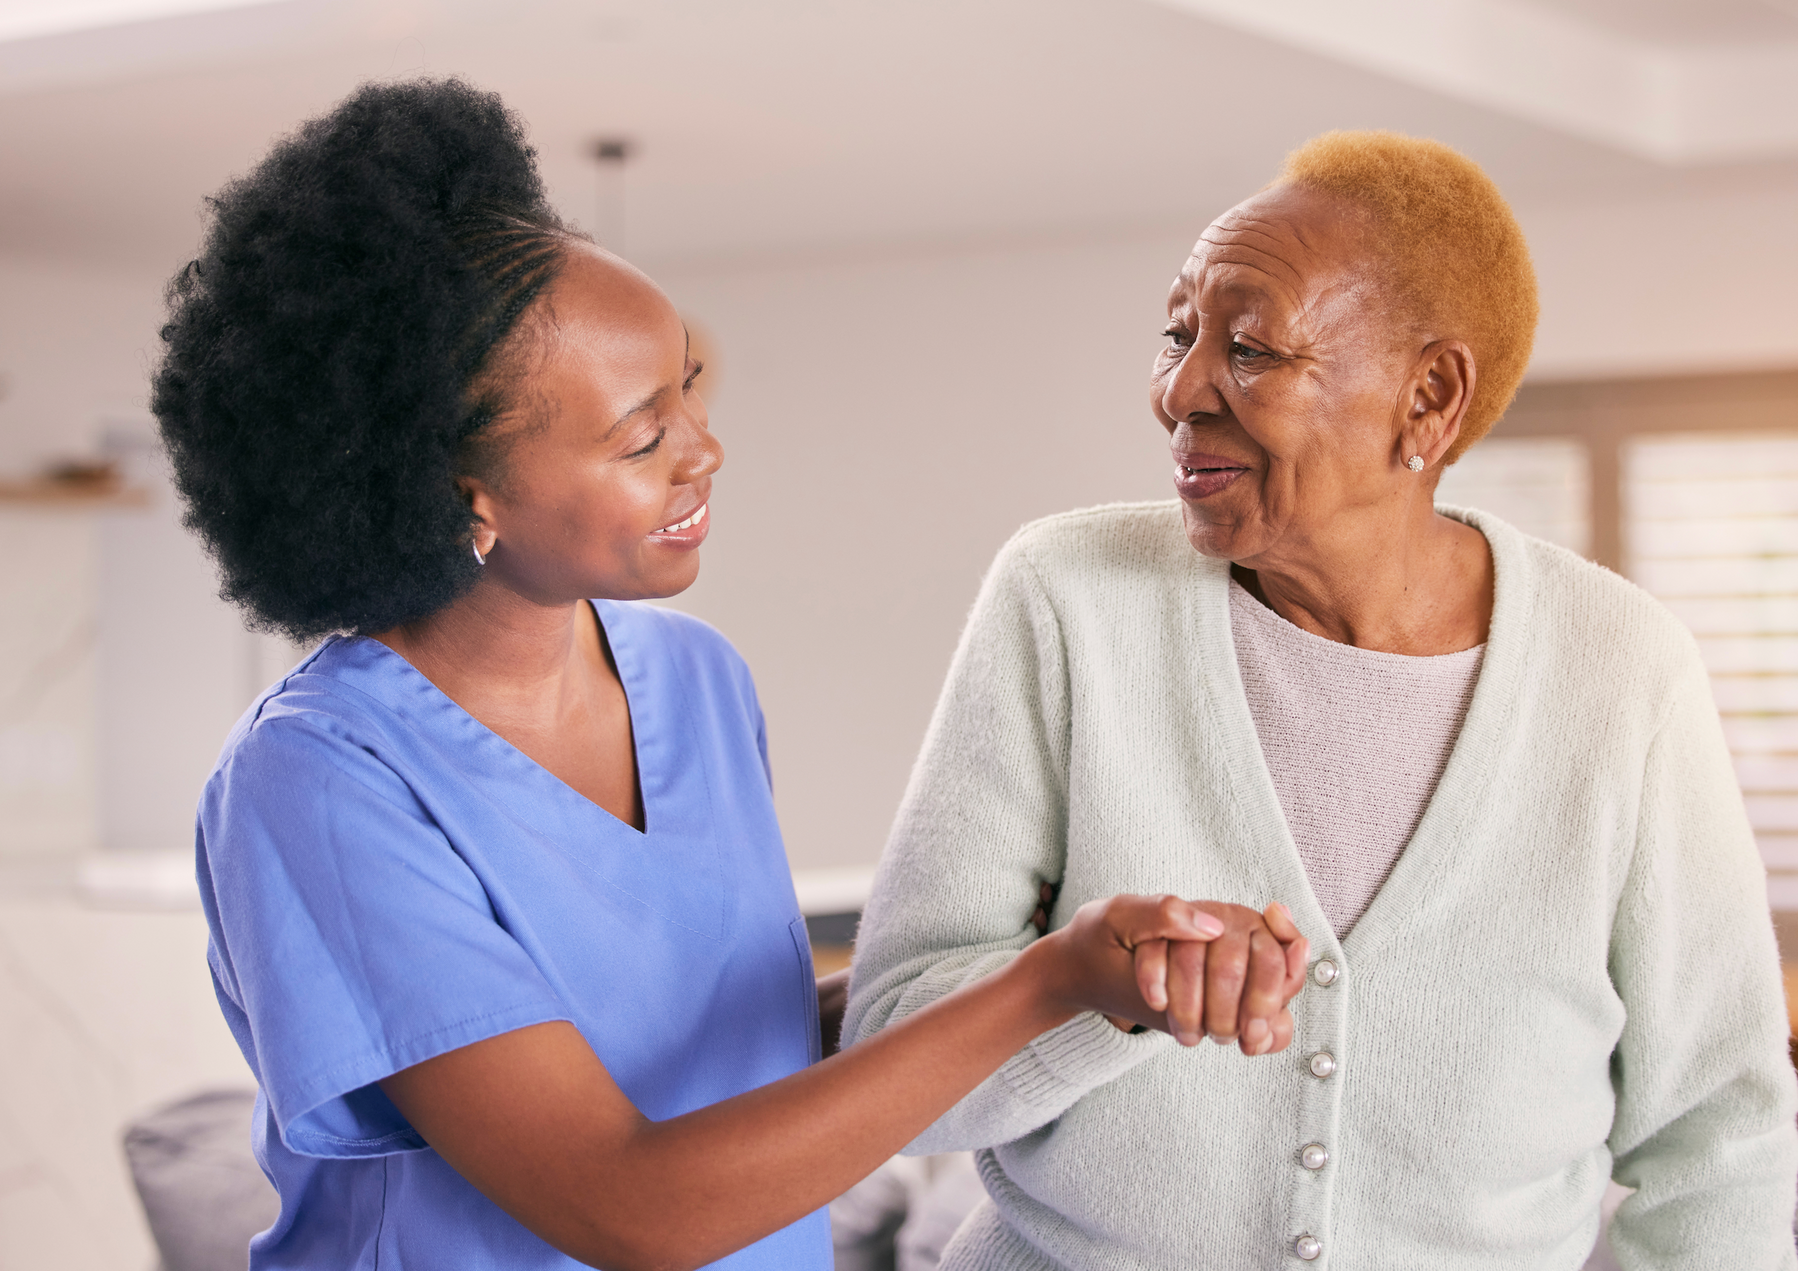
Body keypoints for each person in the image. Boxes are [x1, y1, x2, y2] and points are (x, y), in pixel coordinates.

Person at [154, 78, 1310, 1271]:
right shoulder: (320, 781)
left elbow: (729, 1051)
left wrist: (1052, 962)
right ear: (465, 493)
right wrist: (1041, 986)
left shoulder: (695, 681)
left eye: (690, 389)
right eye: (642, 434)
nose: (706, 449)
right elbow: (626, 1203)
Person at [844, 131, 1798, 1269]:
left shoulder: (1624, 671)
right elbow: (889, 1059)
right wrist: (1107, 994)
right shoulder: (1069, 598)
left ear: (1428, 397)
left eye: (1250, 348)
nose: (1178, 390)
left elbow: (1718, 1140)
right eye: (1177, 333)